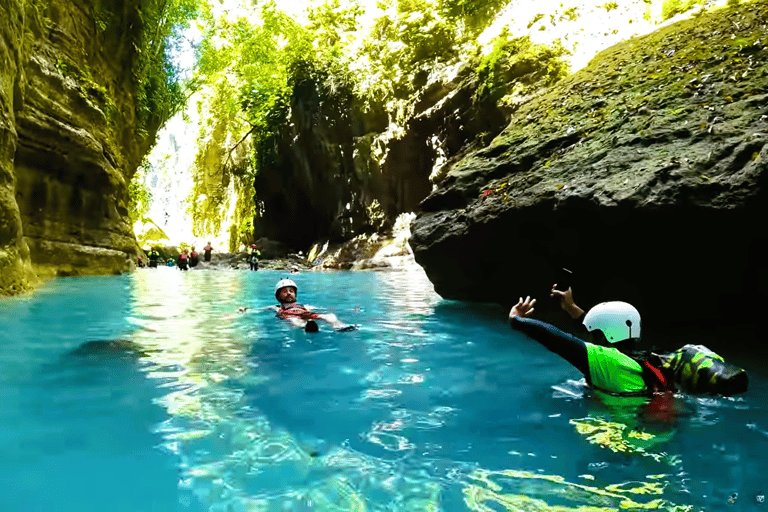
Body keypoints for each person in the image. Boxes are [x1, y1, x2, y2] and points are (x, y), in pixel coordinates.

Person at [508, 285, 671, 396]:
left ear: (602, 336)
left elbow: (556, 339)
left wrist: (516, 320)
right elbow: (606, 329)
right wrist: (572, 309)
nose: (589, 337)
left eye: (593, 333)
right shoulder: (647, 360)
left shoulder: (607, 360)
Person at [271, 279, 356, 332]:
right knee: (294, 320)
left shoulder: (305, 306)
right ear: (278, 296)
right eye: (285, 292)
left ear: (295, 294)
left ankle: (339, 326)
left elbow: (322, 309)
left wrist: (349, 310)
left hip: (305, 314)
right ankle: (306, 327)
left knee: (330, 315)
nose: (288, 293)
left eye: (291, 291)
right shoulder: (276, 307)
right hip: (289, 315)